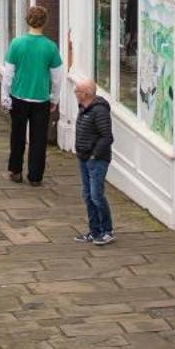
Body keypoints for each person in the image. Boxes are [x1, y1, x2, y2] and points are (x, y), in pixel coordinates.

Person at [2, 5, 62, 185]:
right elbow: (57, 77)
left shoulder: (16, 44)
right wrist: (54, 98)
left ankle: (16, 170)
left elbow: (8, 74)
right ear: (44, 22)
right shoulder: (51, 47)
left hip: (19, 97)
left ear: (27, 20)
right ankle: (35, 176)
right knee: (39, 139)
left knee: (17, 135)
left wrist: (5, 96)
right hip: (41, 99)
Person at [73, 76, 114, 244]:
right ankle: (94, 230)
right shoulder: (84, 108)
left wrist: (94, 155)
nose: (75, 93)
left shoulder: (99, 111)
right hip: (84, 158)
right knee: (88, 195)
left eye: (78, 91)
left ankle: (107, 230)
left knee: (97, 195)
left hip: (96, 160)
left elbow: (107, 137)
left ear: (86, 94)